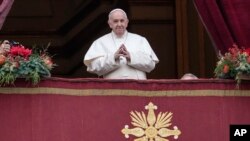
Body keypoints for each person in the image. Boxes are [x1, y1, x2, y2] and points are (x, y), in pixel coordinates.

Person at [83, 8, 159, 79]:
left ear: (127, 22)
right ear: (110, 23)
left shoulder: (140, 40)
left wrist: (131, 57)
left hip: (137, 88)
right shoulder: (100, 42)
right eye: (115, 21)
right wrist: (113, 58)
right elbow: (93, 67)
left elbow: (151, 65)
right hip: (112, 88)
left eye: (122, 21)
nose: (119, 24)